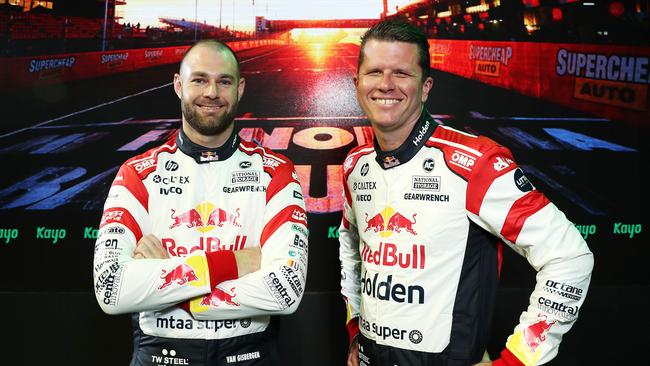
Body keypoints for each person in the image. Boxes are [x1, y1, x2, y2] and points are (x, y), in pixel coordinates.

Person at [339, 19, 593, 366]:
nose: (386, 85)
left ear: (425, 87)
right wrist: (355, 328)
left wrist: (518, 360)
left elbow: (570, 257)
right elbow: (351, 250)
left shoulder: (475, 163)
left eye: (402, 73)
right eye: (374, 72)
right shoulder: (355, 165)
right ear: (357, 84)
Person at [93, 39, 308, 366]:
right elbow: (111, 289)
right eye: (199, 79)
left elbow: (284, 290)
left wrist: (165, 290)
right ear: (179, 85)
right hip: (159, 356)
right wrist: (234, 263)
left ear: (240, 89)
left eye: (224, 81)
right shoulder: (138, 174)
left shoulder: (275, 172)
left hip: (250, 356)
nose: (212, 92)